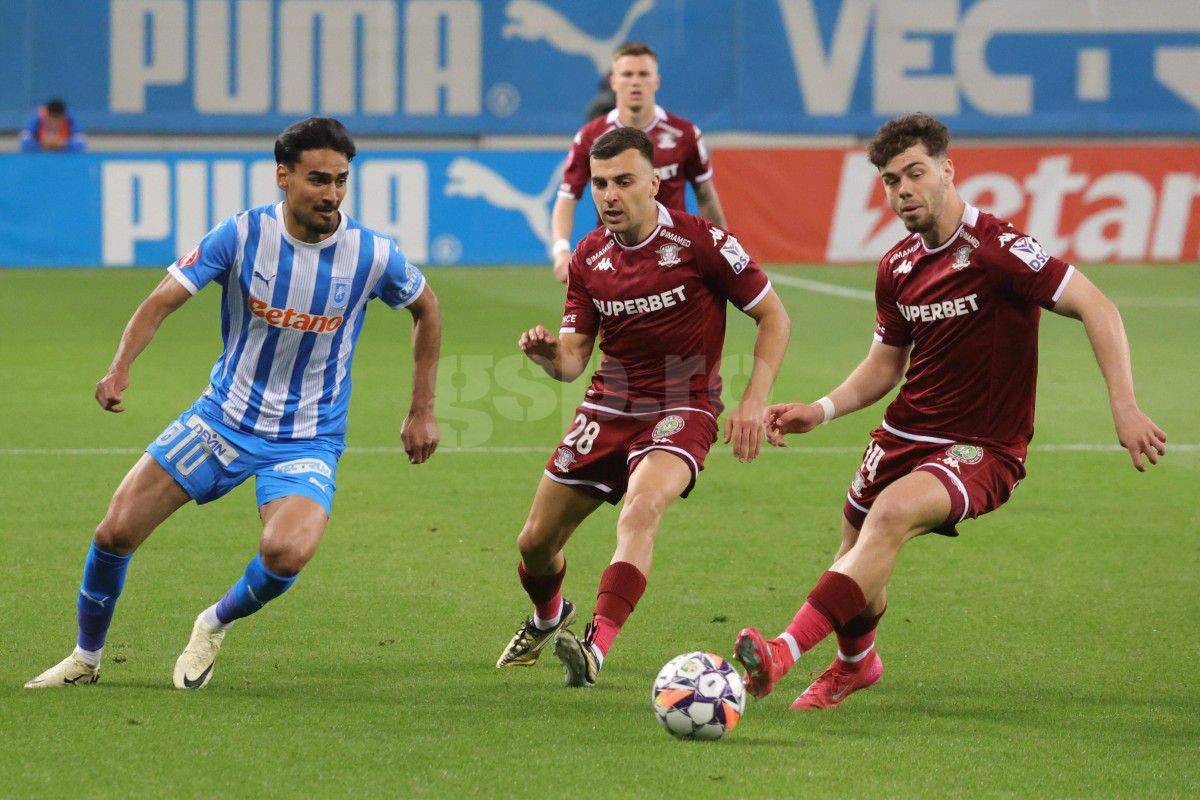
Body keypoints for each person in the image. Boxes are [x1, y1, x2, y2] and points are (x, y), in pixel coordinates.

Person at [733, 113, 1167, 710]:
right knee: (855, 553)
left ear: (947, 169)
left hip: (982, 445)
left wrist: (1124, 405)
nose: (903, 190)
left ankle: (781, 652)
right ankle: (856, 665)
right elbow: (885, 364)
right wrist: (821, 409)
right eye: (891, 181)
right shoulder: (896, 266)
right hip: (903, 432)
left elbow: (1098, 306)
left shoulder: (1000, 250)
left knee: (889, 516)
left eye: (915, 173)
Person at [25, 117, 442, 690]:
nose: (332, 194)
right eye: (318, 179)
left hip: (307, 437)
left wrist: (422, 408)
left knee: (286, 553)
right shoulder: (241, 235)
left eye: (341, 180)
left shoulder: (372, 253)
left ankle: (213, 624)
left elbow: (427, 308)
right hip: (221, 419)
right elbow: (161, 301)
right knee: (114, 533)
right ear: (283, 176)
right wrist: (120, 367)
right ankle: (85, 659)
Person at [496, 127, 791, 687]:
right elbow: (573, 360)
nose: (609, 195)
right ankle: (549, 617)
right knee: (534, 543)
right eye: (600, 183)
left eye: (624, 181)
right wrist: (546, 355)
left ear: (654, 182)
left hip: (684, 406)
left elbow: (774, 316)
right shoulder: (589, 256)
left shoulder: (703, 242)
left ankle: (594, 649)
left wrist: (754, 400)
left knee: (640, 509)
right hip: (608, 405)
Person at [549, 42, 725, 283]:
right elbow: (567, 197)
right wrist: (561, 251)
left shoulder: (684, 134)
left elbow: (705, 195)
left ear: (656, 81)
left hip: (673, 258)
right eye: (627, 74)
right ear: (613, 82)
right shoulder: (590, 137)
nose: (635, 82)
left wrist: (721, 246)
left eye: (643, 74)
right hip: (614, 261)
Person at [19, 98, 87, 153]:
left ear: (64, 116)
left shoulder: (70, 118)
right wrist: (41, 144)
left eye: (58, 118)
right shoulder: (36, 118)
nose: (55, 122)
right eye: (53, 117)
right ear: (47, 114)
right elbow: (24, 142)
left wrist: (64, 144)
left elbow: (81, 143)